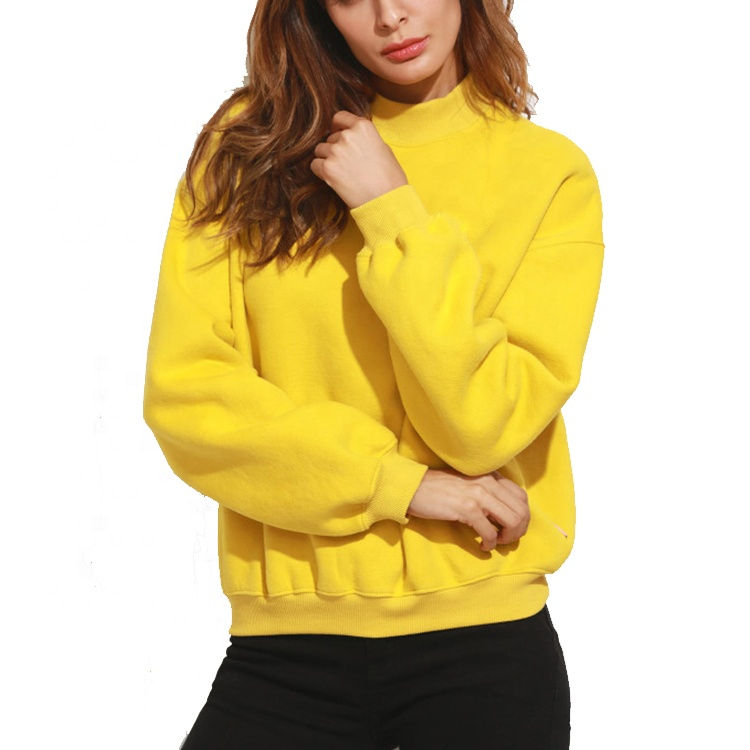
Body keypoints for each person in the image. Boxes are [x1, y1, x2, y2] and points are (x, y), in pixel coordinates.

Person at [142, 0, 605, 747]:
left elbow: (482, 424)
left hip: (483, 650)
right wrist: (403, 487)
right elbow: (186, 396)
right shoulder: (248, 149)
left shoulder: (549, 174)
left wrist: (390, 209)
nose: (391, 16)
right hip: (284, 649)